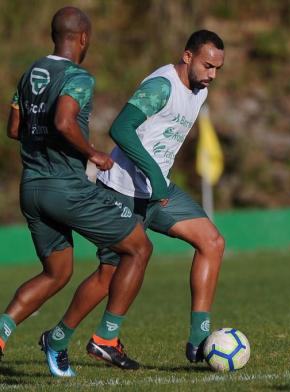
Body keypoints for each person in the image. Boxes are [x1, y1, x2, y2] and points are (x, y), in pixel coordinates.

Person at [44, 29, 226, 372]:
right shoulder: (162, 86)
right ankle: (60, 339)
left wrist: (159, 181)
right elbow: (122, 128)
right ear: (187, 57)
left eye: (217, 68)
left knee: (212, 242)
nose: (212, 75)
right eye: (207, 65)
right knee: (110, 273)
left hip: (158, 191)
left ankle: (199, 337)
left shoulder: (199, 89)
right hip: (124, 189)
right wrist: (154, 176)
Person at [0, 7, 154, 377]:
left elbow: (14, 128)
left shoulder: (30, 73)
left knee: (57, 271)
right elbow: (64, 120)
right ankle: (98, 338)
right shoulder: (77, 77)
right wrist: (92, 153)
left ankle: (2, 332)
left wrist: (47, 140)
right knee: (138, 247)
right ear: (83, 38)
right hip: (65, 188)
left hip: (32, 189)